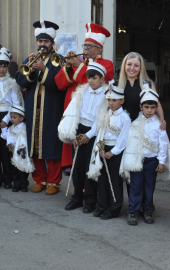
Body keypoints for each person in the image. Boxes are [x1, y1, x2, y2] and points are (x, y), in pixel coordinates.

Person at [55, 23, 114, 175]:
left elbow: (96, 78)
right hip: (75, 113)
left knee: (90, 158)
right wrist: (69, 66)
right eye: (85, 45)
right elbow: (59, 83)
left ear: (99, 49)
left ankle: (90, 193)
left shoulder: (107, 64)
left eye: (90, 46)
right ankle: (77, 191)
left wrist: (79, 65)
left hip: (93, 118)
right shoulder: (81, 61)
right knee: (76, 159)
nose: (86, 48)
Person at [16, 20, 64, 195]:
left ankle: (54, 182)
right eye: (40, 41)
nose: (42, 45)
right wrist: (31, 69)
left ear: (52, 43)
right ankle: (39, 179)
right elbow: (21, 81)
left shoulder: (58, 60)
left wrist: (44, 70)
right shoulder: (29, 59)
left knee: (51, 145)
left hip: (51, 109)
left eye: (46, 41)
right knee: (34, 146)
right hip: (32, 109)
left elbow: (59, 85)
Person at [120, 87, 170, 226]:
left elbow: (163, 144)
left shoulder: (159, 125)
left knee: (149, 187)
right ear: (141, 107)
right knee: (135, 186)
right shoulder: (134, 124)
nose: (150, 110)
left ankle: (147, 210)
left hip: (152, 161)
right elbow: (130, 144)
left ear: (157, 107)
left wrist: (162, 162)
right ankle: (133, 211)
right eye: (146, 107)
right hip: (137, 161)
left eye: (152, 107)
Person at [58, 62, 108, 213]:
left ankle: (91, 200)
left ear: (102, 78)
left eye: (94, 78)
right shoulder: (81, 92)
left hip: (94, 133)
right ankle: (77, 198)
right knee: (77, 167)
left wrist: (89, 135)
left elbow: (101, 118)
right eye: (89, 77)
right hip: (79, 130)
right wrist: (73, 134)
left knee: (90, 167)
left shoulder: (106, 95)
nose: (91, 81)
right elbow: (73, 113)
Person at [86, 85, 131, 220]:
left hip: (115, 152)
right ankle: (103, 206)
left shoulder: (125, 118)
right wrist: (100, 148)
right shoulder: (105, 114)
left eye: (114, 100)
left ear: (122, 101)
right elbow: (101, 133)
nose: (111, 103)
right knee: (102, 180)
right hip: (103, 149)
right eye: (109, 100)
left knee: (114, 180)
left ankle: (114, 208)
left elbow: (123, 140)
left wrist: (112, 152)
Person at [0, 48, 24, 190]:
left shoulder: (12, 83)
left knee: (6, 149)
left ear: (8, 66)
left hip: (7, 117)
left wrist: (7, 120)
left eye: (4, 66)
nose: (1, 69)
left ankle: (8, 178)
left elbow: (16, 103)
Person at [1, 105, 34, 192]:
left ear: (21, 118)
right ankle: (16, 184)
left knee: (23, 169)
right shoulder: (11, 128)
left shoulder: (25, 128)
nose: (12, 119)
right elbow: (5, 137)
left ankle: (24, 185)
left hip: (23, 152)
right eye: (11, 117)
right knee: (14, 169)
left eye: (14, 117)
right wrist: (4, 128)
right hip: (13, 152)